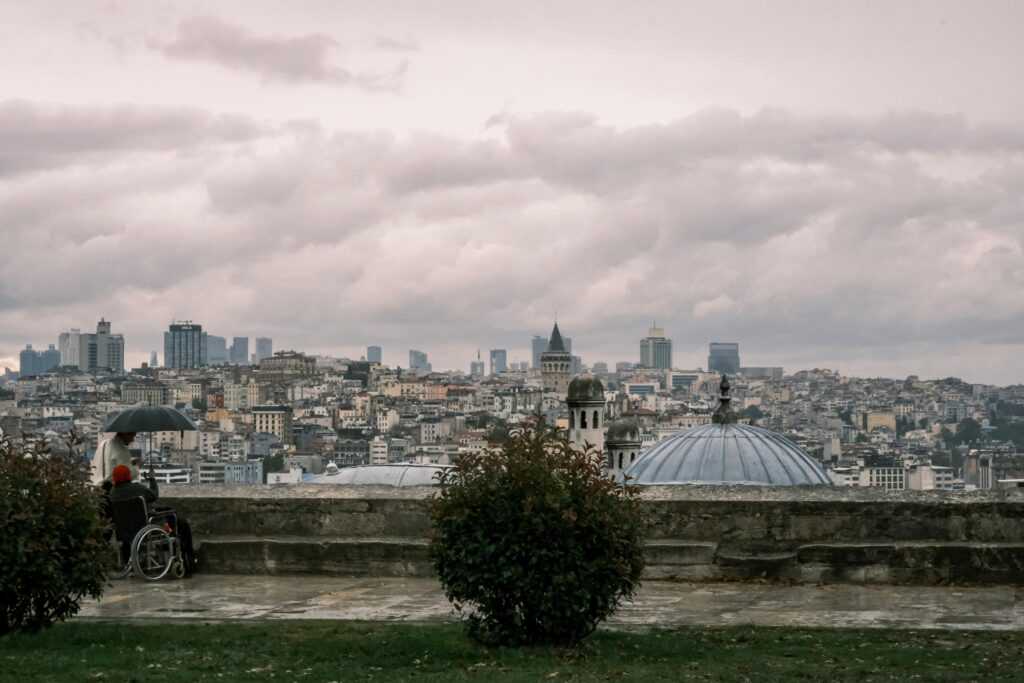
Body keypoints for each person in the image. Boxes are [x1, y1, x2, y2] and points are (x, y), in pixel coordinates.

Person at [109, 464, 197, 577]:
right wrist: (152, 479)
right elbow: (154, 495)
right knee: (181, 523)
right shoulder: (136, 488)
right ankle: (187, 560)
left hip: (125, 533)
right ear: (128, 476)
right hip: (145, 529)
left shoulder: (113, 494)